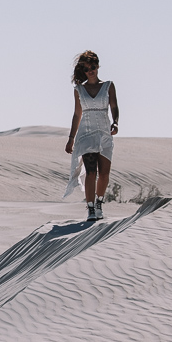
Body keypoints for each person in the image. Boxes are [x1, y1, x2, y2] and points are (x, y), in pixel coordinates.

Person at [62, 50, 119, 218]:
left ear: (98, 66)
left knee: (104, 173)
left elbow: (114, 106)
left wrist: (115, 122)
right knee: (91, 172)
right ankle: (91, 208)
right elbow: (77, 114)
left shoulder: (108, 85)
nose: (90, 71)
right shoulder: (79, 89)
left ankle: (100, 203)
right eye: (86, 69)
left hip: (104, 132)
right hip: (86, 133)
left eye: (93, 67)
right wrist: (71, 139)